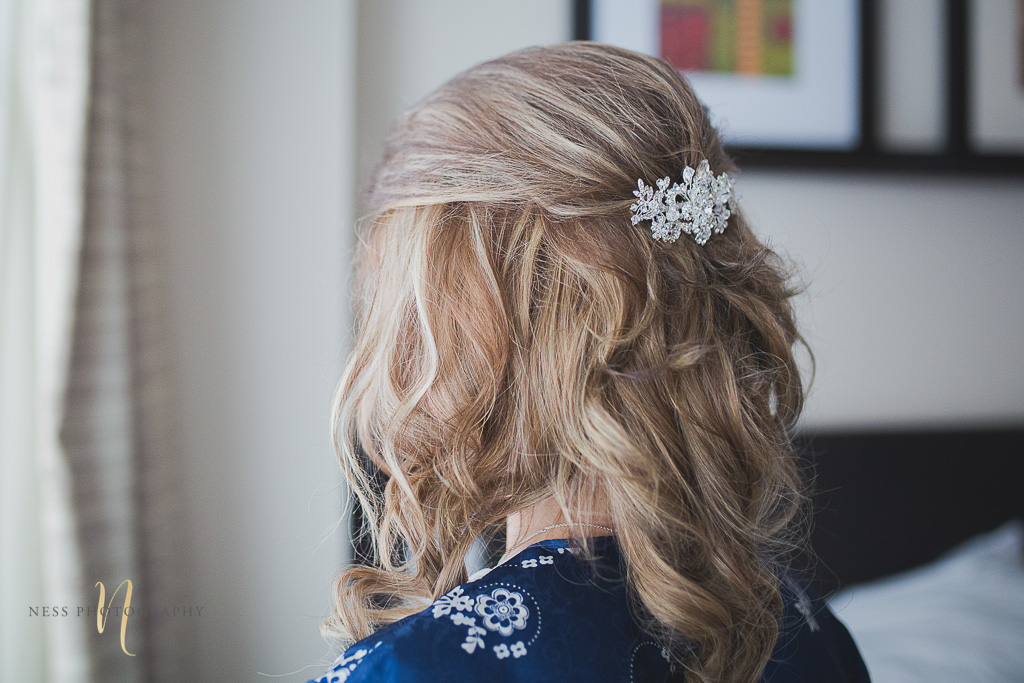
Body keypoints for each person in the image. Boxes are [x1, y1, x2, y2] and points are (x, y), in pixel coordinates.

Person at [308, 41, 871, 683]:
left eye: (392, 301)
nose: (385, 344)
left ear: (455, 320)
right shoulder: (812, 634)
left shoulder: (411, 670)